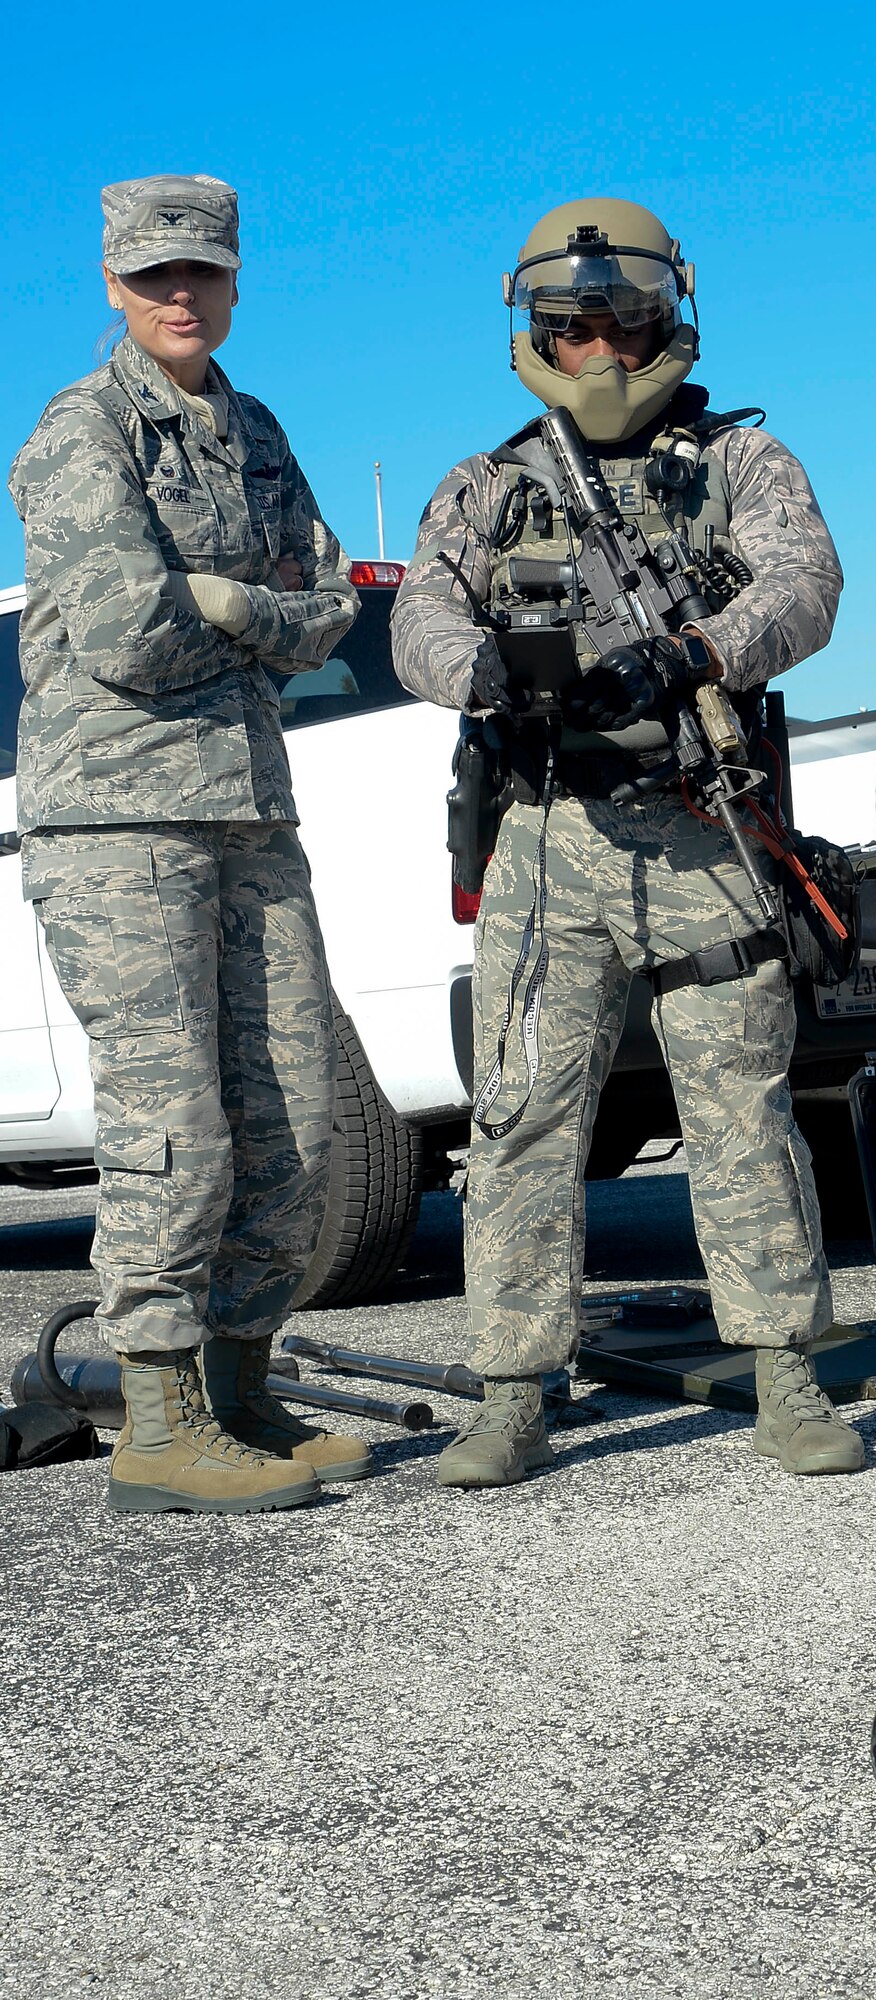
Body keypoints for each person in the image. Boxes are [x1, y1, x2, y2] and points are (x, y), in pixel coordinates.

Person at [392, 197, 859, 1484]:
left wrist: (689, 652)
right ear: (535, 330)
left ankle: (788, 1372)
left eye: (624, 319)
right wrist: (496, 670)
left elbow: (804, 584)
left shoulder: (742, 465)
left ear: (667, 317)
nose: (599, 347)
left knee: (741, 1110)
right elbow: (415, 621)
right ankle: (511, 1386)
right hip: (547, 837)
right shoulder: (488, 484)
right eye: (571, 324)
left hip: (702, 831)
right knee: (524, 1119)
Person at [8, 175, 365, 1514]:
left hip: (249, 810)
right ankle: (157, 1425)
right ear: (112, 284)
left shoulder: (255, 431)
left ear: (233, 280)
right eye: (153, 273)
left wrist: (228, 600)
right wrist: (234, 605)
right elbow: (128, 635)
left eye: (201, 271)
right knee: (173, 1124)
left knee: (290, 1111)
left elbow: (331, 602)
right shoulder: (80, 434)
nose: (179, 293)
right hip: (120, 822)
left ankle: (240, 1389)